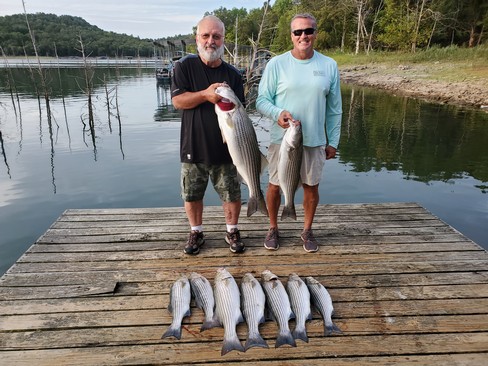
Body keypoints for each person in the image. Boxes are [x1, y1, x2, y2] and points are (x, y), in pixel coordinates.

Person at [256, 13, 342, 253]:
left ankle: (307, 230)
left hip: (315, 141)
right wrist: (277, 113)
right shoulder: (276, 64)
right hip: (280, 140)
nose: (303, 36)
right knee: (275, 185)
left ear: (315, 33)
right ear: (291, 35)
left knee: (311, 186)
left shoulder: (329, 65)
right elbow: (261, 100)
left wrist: (333, 141)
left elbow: (335, 110)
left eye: (308, 31)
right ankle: (273, 227)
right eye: (298, 32)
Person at [171, 15, 246, 255]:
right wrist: (205, 94)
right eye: (206, 35)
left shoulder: (233, 75)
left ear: (224, 40)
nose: (211, 41)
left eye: (216, 36)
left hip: (228, 148)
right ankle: (196, 232)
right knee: (191, 194)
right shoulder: (184, 66)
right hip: (193, 146)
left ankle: (232, 230)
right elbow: (178, 101)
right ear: (197, 39)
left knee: (232, 193)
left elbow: (241, 112)